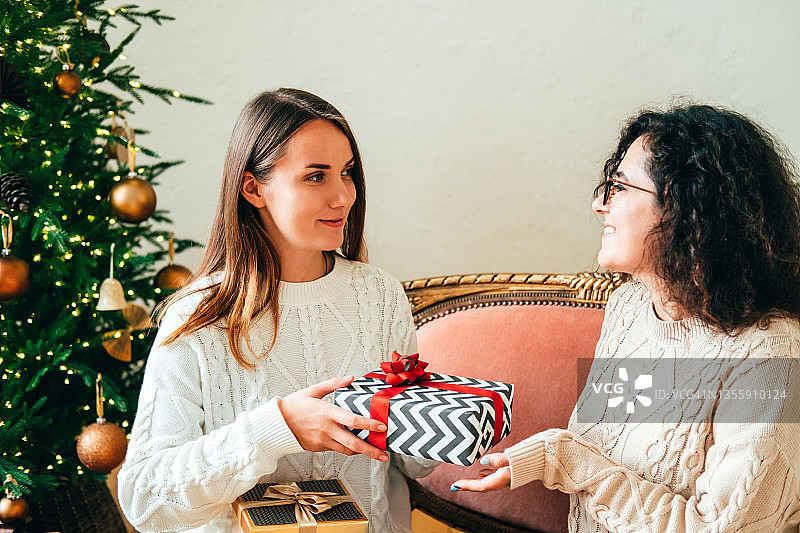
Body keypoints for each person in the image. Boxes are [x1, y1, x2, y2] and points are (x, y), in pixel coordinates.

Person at [452, 104, 800, 532]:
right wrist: (552, 457)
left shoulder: (769, 356)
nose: (599, 203)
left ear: (688, 210)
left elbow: (719, 528)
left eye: (619, 187)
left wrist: (564, 457)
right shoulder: (630, 309)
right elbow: (598, 460)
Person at [117, 88, 436, 533]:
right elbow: (146, 503)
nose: (343, 196)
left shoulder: (378, 295)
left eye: (347, 174)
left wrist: (449, 424)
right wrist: (276, 429)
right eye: (315, 176)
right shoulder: (198, 317)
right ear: (253, 188)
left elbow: (411, 466)